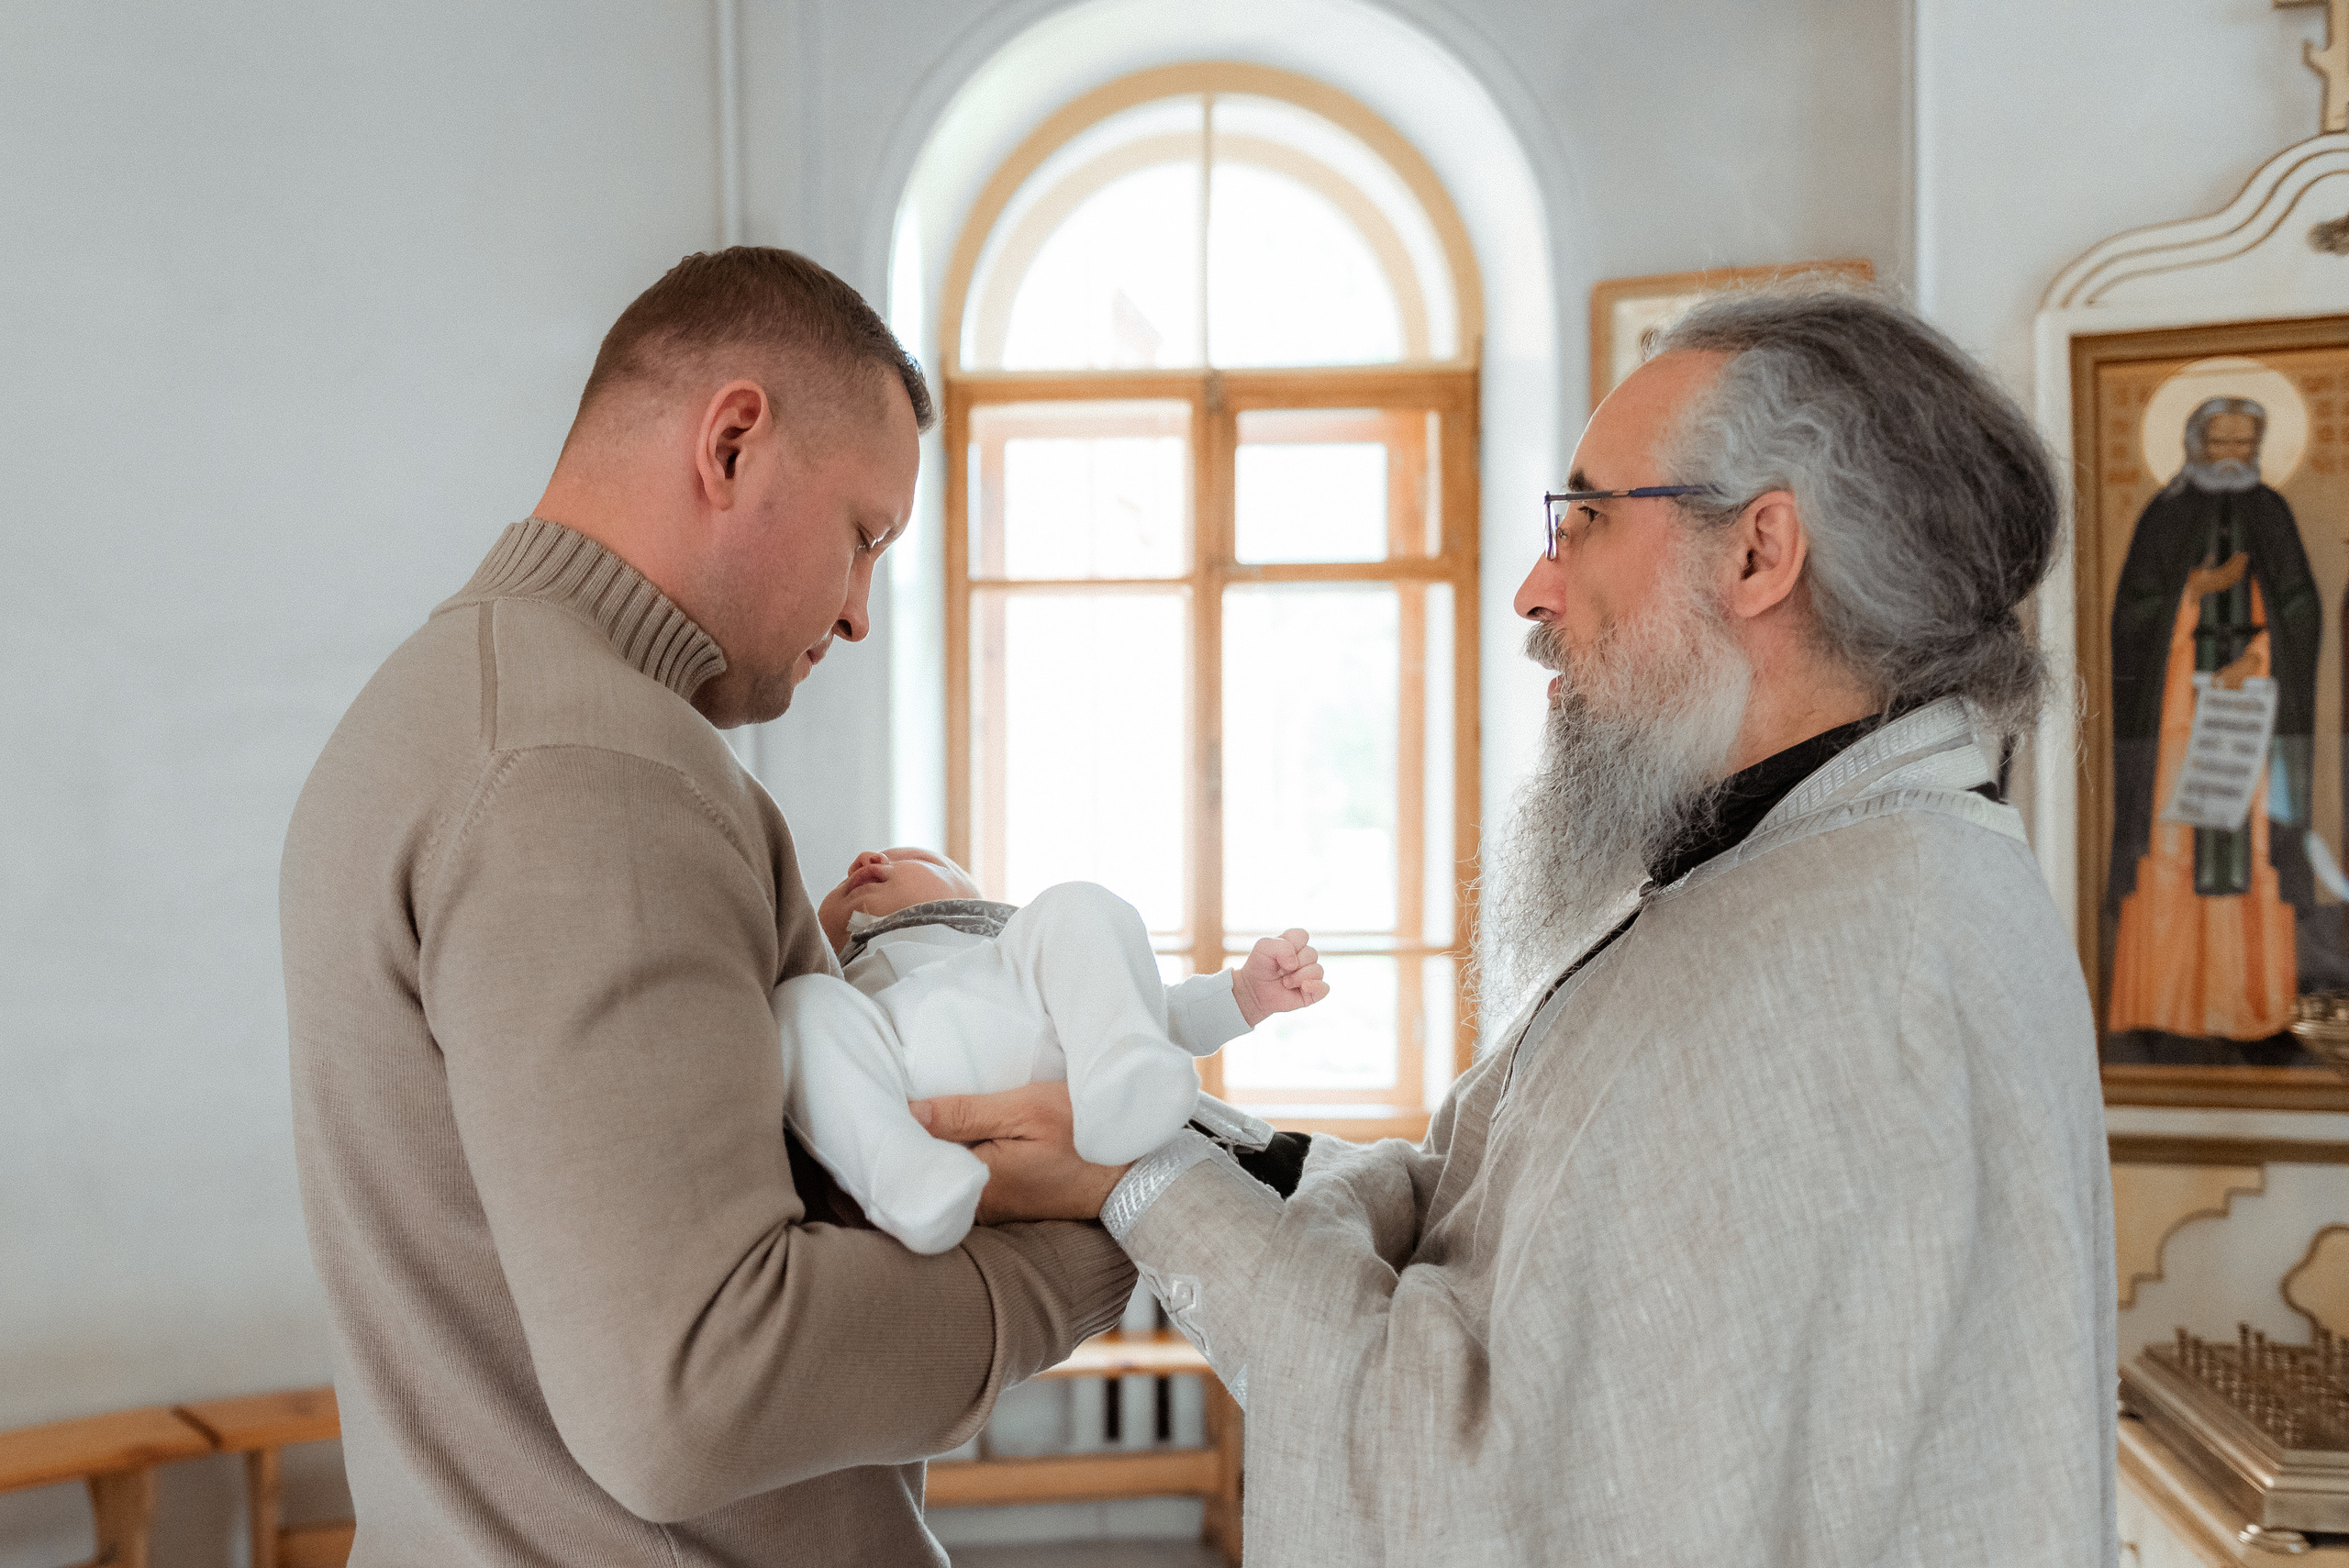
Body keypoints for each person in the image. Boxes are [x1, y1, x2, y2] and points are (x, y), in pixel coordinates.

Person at [918, 287, 2117, 1565]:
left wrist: (1138, 1181)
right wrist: (1183, 1138)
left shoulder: (1844, 972)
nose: (1535, 589)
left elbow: (1480, 1481)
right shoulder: (1817, 881)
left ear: (1761, 555)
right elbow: (1472, 1214)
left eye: (1587, 518)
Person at [280, 249, 1139, 1567]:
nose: (859, 614)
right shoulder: (590, 770)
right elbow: (698, 1393)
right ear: (733, 441)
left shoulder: (449, 707)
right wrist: (1108, 1229)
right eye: (865, 536)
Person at [778, 846, 1326, 1252]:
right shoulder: (848, 983)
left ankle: (1121, 1078)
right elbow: (825, 1070)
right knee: (800, 1003)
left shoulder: (1022, 951)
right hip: (899, 1069)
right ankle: (902, 1177)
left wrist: (1245, 994)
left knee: (1079, 903)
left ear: (977, 903)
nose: (868, 860)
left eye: (919, 858)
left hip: (1058, 1058)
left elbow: (1160, 1010)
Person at [2106, 395, 2322, 1058]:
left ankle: (2251, 1007)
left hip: (2249, 713)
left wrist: (2255, 659)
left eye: (2244, 443)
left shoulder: (2272, 513)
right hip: (2176, 712)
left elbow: (2298, 611)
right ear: (2196, 445)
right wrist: (2191, 592)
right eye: (2221, 442)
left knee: (2250, 843)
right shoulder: (2164, 516)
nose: (2234, 456)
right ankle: (2168, 1004)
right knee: (2173, 838)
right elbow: (2131, 618)